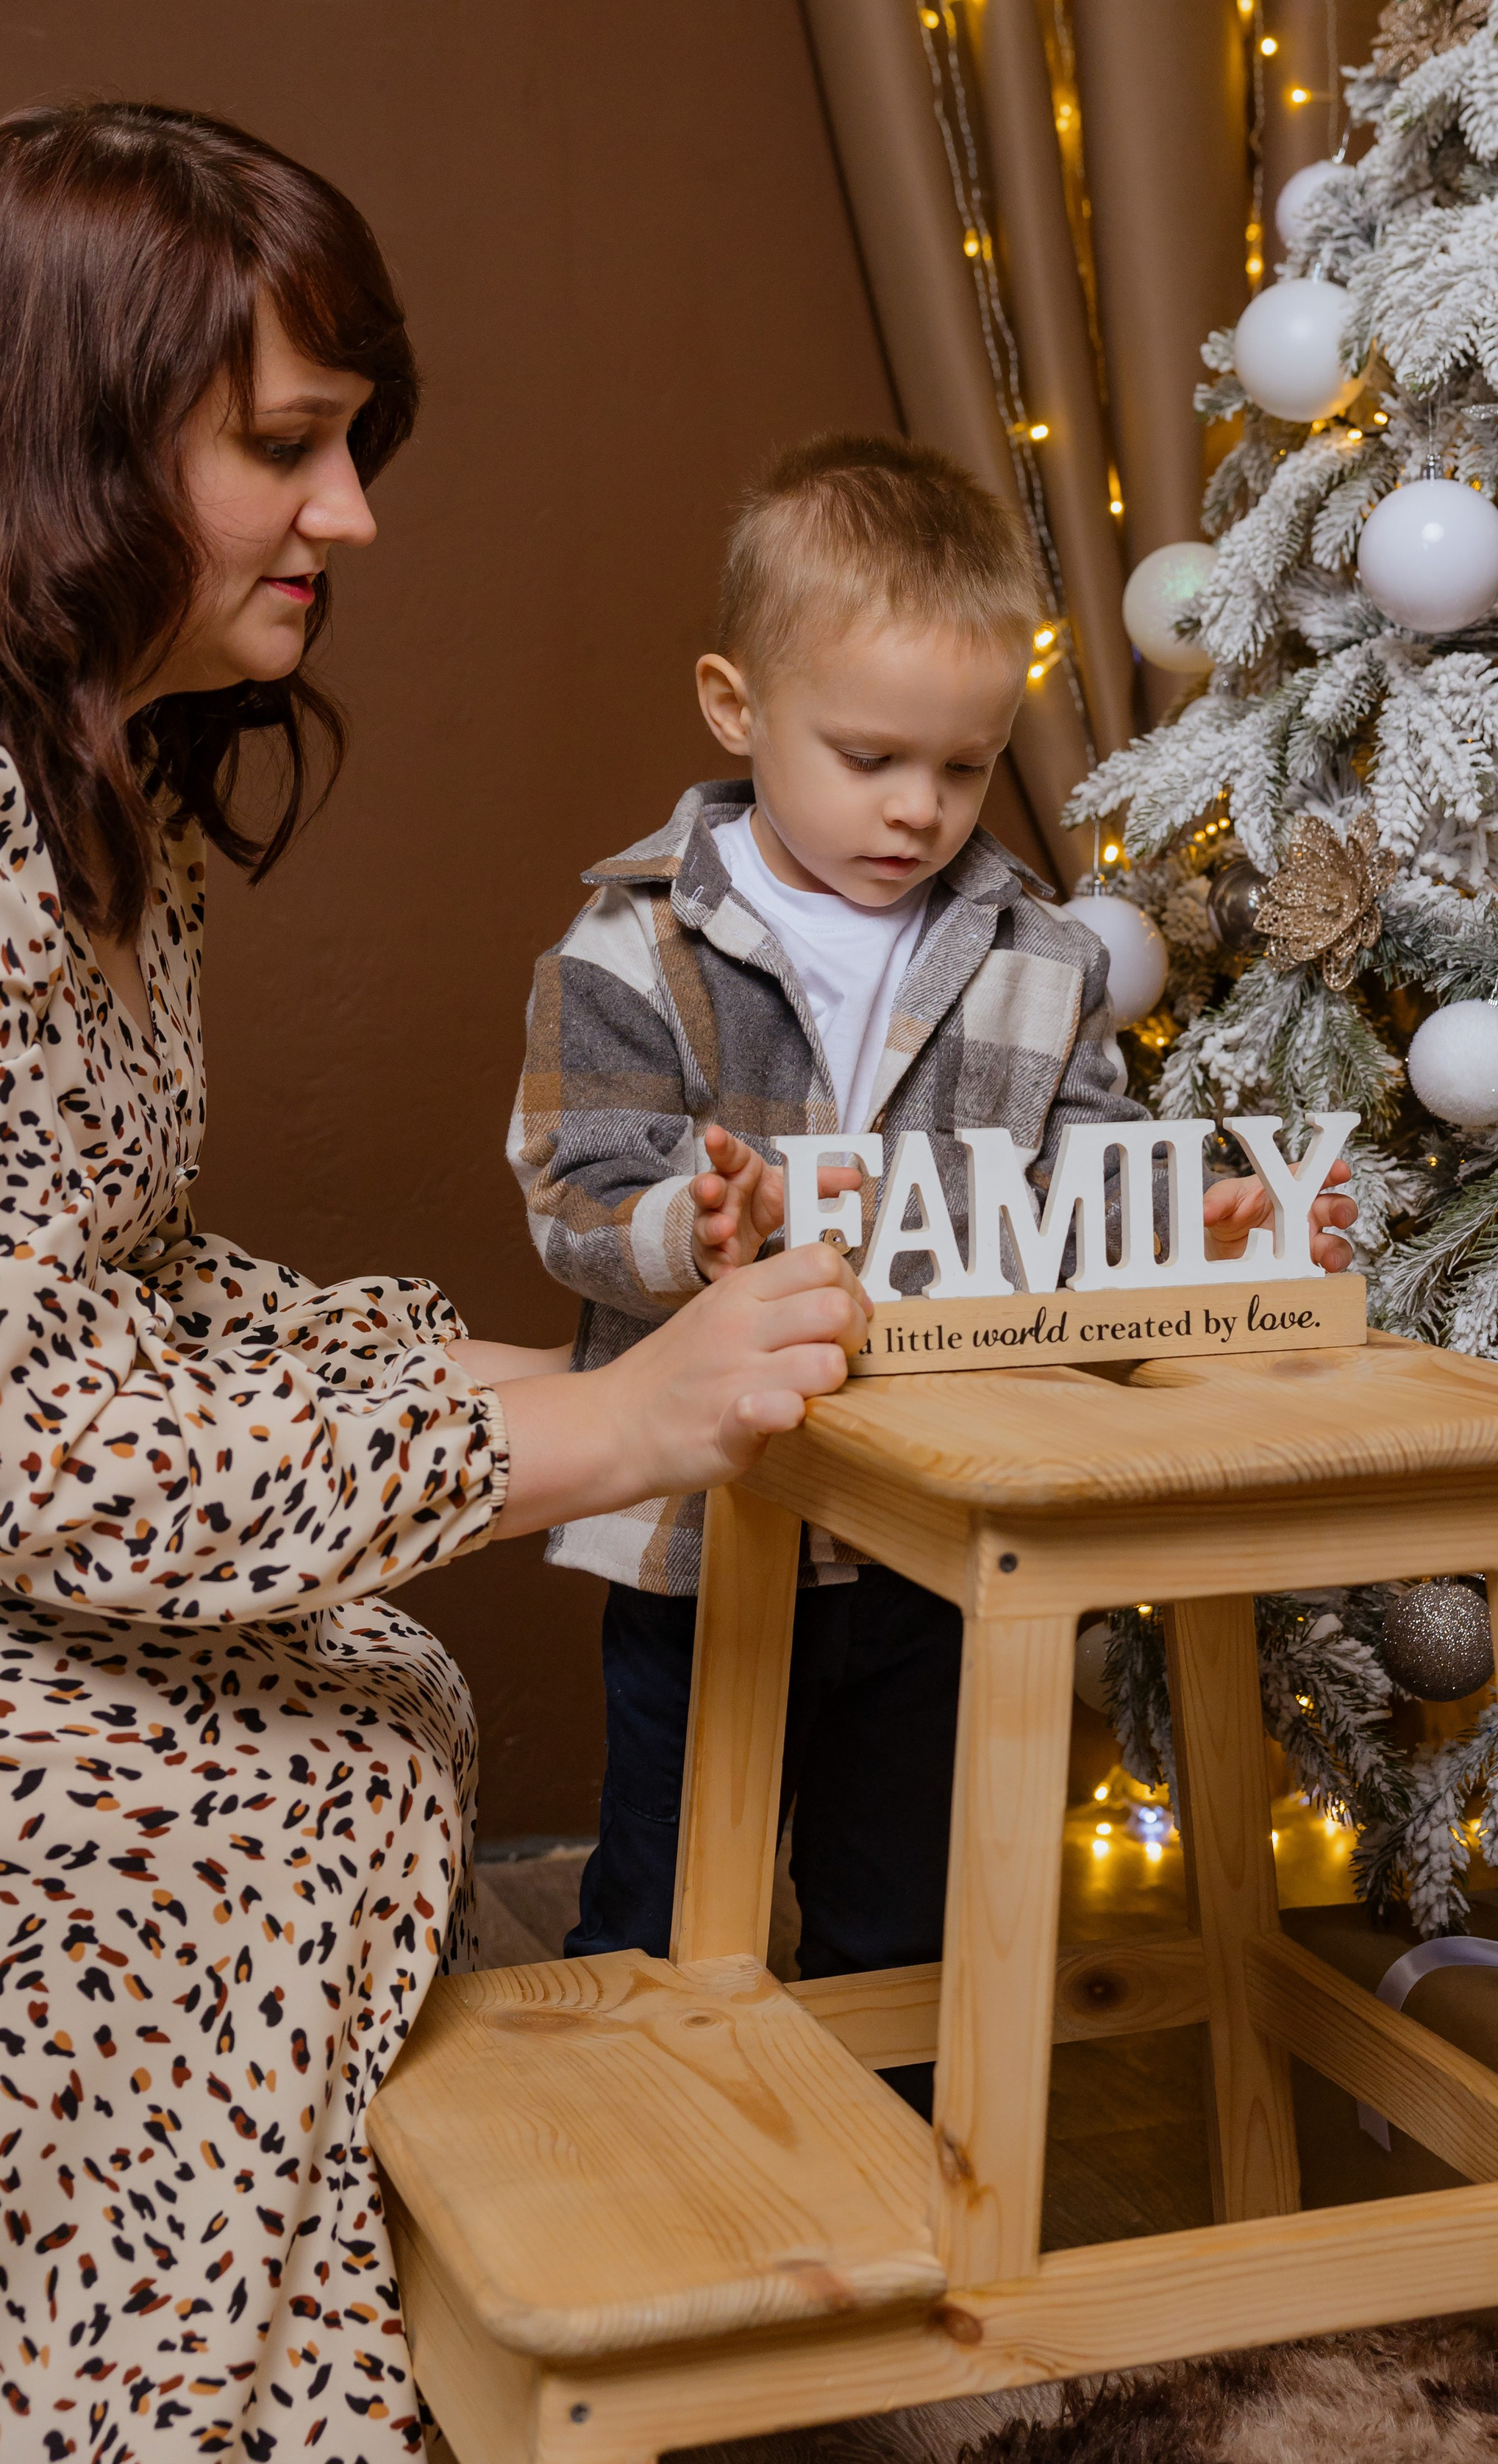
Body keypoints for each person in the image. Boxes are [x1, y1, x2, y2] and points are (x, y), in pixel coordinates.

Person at [0, 103, 868, 2461]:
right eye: (286, 446)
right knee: (224, 1785)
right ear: (65, 438)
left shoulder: (94, 795)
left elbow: (106, 1270)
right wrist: (583, 1433)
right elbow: (39, 1437)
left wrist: (514, 1360)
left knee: (356, 1694)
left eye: (356, 443)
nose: (354, 515)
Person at [510, 435, 1358, 2102]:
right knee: (666, 1882)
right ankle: (624, 2153)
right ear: (734, 707)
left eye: (962, 770)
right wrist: (699, 1225)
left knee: (902, 1909)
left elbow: (1073, 1178)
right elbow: (571, 1182)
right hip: (709, 1525)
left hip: (936, 1526)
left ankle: (881, 2178)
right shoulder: (634, 944)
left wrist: (1190, 1220)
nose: (918, 807)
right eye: (871, 755)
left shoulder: (1030, 952)